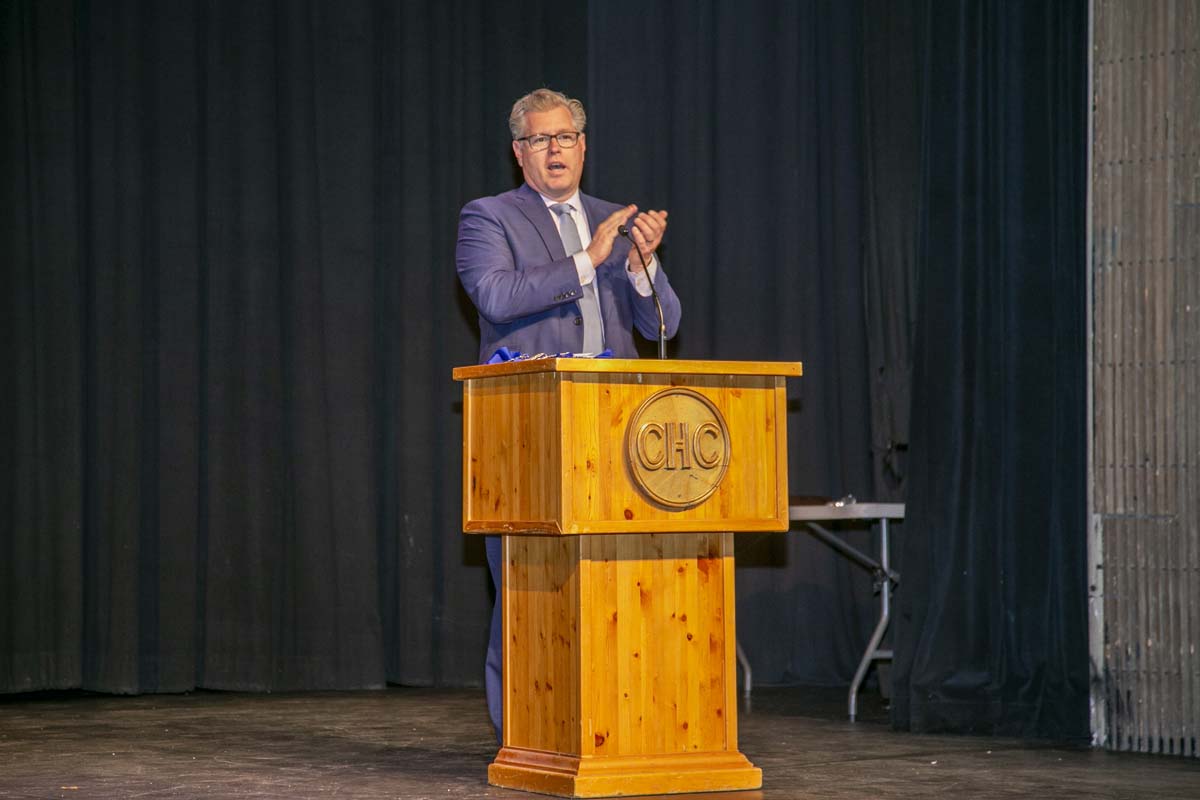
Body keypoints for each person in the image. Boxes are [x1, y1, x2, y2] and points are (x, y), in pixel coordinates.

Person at [455, 88, 682, 742]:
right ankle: (522, 733)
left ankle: (616, 721)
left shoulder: (616, 219)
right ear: (519, 152)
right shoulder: (489, 217)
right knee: (528, 583)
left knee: (614, 578)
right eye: (540, 139)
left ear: (583, 146)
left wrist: (640, 265)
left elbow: (664, 324)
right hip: (526, 423)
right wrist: (588, 261)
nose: (554, 150)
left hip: (612, 423)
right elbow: (495, 294)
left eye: (565, 137)